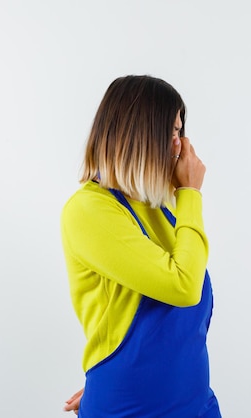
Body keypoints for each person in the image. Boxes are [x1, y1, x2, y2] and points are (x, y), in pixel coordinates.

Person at [60, 75, 221, 417]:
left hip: (196, 405)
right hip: (131, 410)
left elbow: (168, 333)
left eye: (181, 132)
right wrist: (191, 193)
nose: (181, 145)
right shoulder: (89, 210)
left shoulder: (161, 207)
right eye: (173, 132)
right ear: (142, 134)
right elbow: (183, 286)